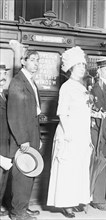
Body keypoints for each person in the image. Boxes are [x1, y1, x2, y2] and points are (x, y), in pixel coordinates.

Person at [47, 46, 99, 218]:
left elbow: (83, 109)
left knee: (80, 168)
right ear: (71, 69)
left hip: (82, 134)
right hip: (69, 134)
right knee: (68, 169)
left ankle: (76, 199)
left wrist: (95, 113)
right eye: (79, 65)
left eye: (83, 65)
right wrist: (68, 134)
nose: (83, 68)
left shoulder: (81, 86)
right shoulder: (67, 87)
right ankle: (65, 204)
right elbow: (62, 112)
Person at [7, 50, 42, 220]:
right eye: (32, 60)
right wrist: (22, 140)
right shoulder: (17, 82)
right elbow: (14, 114)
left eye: (37, 60)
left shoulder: (30, 82)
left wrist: (37, 138)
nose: (36, 63)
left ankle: (24, 207)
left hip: (32, 134)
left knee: (30, 172)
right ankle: (17, 212)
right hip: (23, 138)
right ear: (23, 61)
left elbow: (33, 113)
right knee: (21, 175)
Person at [90, 58, 106, 211]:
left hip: (105, 131)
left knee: (105, 162)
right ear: (99, 72)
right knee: (100, 161)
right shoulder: (98, 89)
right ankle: (98, 199)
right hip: (99, 133)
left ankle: (102, 197)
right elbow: (102, 116)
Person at [0, 63, 13, 217]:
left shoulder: (5, 94)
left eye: (4, 74)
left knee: (3, 175)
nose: (2, 77)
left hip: (5, 141)